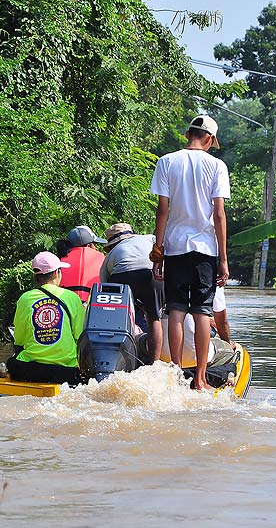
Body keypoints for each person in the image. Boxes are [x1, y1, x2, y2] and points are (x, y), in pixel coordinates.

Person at [150, 114, 230, 390]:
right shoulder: (217, 166)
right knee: (202, 313)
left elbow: (162, 210)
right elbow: (219, 214)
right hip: (205, 250)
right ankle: (200, 378)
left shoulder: (166, 161)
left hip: (174, 248)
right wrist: (223, 259)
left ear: (188, 134)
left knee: (175, 311)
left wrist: (158, 250)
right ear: (209, 138)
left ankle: (174, 374)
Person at [6, 251, 86, 384]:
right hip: (66, 372)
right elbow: (80, 336)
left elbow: (19, 339)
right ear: (56, 273)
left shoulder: (25, 299)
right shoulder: (72, 297)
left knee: (11, 363)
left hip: (30, 370)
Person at [99, 222, 165, 361]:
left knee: (119, 317)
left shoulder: (111, 255)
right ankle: (155, 363)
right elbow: (163, 250)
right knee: (154, 319)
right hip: (151, 272)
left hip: (121, 275)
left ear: (111, 244)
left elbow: (105, 289)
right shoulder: (149, 238)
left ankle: (120, 358)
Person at [59, 225, 107, 303]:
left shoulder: (60, 258)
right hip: (93, 302)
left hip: (65, 301)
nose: (96, 248)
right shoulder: (101, 257)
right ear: (89, 245)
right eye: (95, 244)